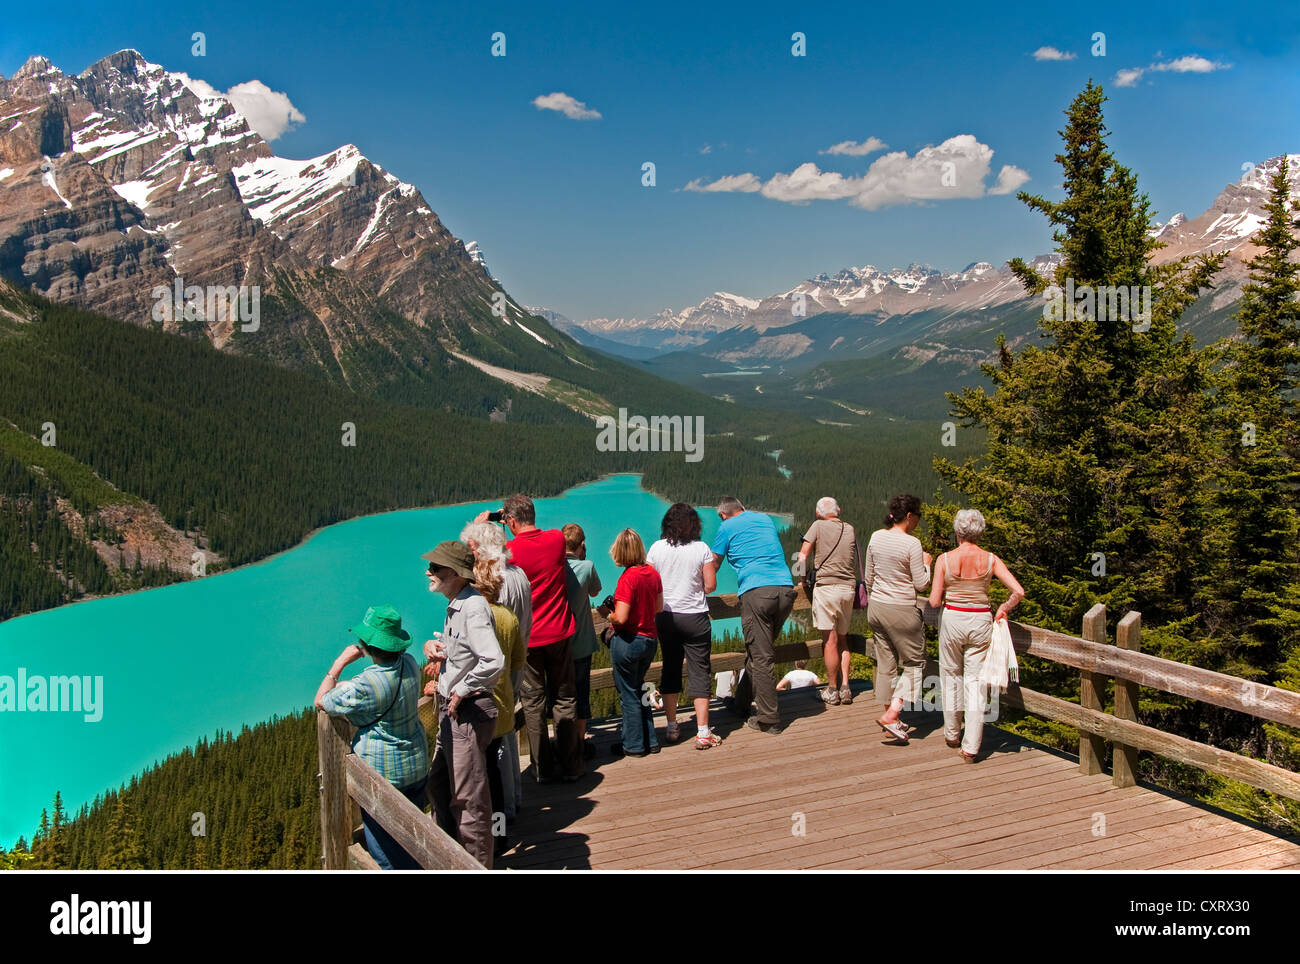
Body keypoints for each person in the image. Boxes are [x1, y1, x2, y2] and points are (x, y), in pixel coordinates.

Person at [315, 604, 428, 870]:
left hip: (385, 779)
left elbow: (321, 701)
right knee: (414, 841)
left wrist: (338, 665)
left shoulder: (366, 685)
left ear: (367, 645)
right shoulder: (409, 663)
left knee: (386, 854)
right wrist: (349, 687)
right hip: (417, 767)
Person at [478, 495, 582, 783]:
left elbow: (479, 561)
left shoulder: (508, 551)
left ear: (510, 521)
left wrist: (483, 524)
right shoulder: (556, 540)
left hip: (528, 639)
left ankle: (542, 769)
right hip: (560, 632)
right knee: (564, 698)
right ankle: (572, 765)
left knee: (533, 703)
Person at [422, 540, 505, 867]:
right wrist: (437, 648)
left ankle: (475, 865)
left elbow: (493, 660)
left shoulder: (472, 607)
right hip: (453, 713)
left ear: (455, 573)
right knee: (439, 783)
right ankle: (453, 855)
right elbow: (466, 653)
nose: (429, 572)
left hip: (466, 714)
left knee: (469, 802)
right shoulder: (459, 603)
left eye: (436, 568)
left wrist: (462, 689)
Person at [927, 509, 1025, 762]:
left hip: (952, 619)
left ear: (958, 531)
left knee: (949, 675)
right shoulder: (991, 559)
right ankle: (971, 746)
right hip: (981, 619)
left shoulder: (945, 559)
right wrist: (1003, 608)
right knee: (975, 682)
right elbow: (1018, 591)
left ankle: (951, 733)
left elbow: (935, 601)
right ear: (980, 532)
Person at [451, 533, 526, 857]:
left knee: (477, 780)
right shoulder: (508, 619)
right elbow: (519, 661)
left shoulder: (478, 617)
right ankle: (501, 833)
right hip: (504, 708)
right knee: (494, 776)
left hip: (477, 712)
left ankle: (481, 839)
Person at [708, 496, 796, 734]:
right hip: (786, 591)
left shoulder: (726, 526)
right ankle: (741, 703)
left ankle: (768, 719)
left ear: (723, 515)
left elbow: (714, 563)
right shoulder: (764, 518)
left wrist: (701, 584)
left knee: (761, 656)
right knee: (758, 652)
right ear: (743, 508)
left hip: (757, 592)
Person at [647, 502, 720, 749]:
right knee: (700, 670)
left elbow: (650, 583)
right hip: (695, 617)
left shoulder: (656, 548)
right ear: (694, 525)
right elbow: (711, 585)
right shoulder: (701, 548)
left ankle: (671, 726)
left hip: (666, 617)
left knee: (670, 667)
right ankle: (702, 732)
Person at [866, 494, 933, 743]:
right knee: (915, 663)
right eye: (918, 517)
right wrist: (927, 564)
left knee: (886, 664)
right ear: (909, 516)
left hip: (877, 608)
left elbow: (869, 577)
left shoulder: (875, 536)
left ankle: (890, 722)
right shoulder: (912, 544)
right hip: (901, 609)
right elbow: (921, 584)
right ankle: (893, 712)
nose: (918, 522)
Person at [598, 528, 663, 757]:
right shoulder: (652, 573)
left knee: (629, 694)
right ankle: (651, 740)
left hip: (629, 642)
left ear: (621, 551)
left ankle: (633, 745)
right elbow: (658, 608)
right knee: (640, 687)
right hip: (649, 640)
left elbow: (622, 618)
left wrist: (606, 614)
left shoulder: (628, 578)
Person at [796, 497, 859, 706]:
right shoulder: (849, 528)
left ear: (818, 513)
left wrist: (803, 580)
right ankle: (846, 688)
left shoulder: (818, 525)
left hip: (827, 588)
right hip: (848, 589)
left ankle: (832, 689)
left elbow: (803, 556)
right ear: (838, 510)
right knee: (843, 640)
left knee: (829, 641)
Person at [562, 523, 603, 760]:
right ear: (582, 545)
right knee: (582, 694)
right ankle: (579, 743)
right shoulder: (587, 566)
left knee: (561, 695)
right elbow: (596, 592)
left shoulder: (554, 567)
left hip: (558, 644)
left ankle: (563, 743)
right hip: (582, 644)